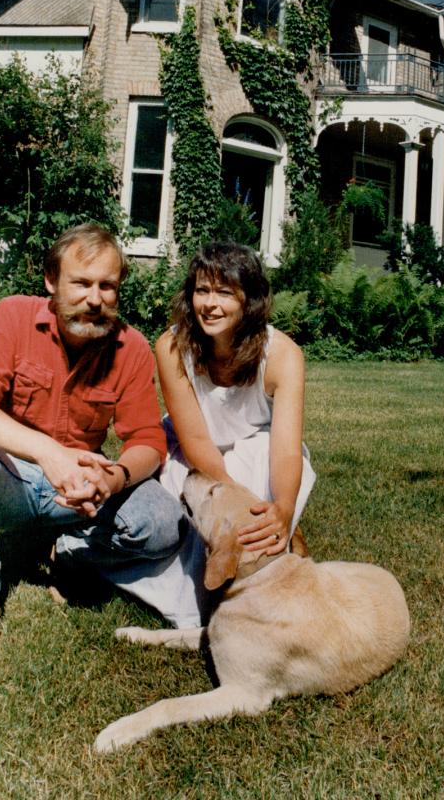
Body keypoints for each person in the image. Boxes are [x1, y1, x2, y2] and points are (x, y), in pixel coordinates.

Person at [0, 224, 184, 658]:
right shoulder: (14, 316)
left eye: (107, 286)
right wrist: (49, 453)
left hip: (81, 492)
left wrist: (113, 478)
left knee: (164, 524)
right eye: (81, 283)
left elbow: (149, 440)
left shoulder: (131, 347)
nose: (95, 299)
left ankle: (70, 552)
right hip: (12, 478)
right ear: (51, 282)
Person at [113, 241, 315, 628]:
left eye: (224, 292)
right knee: (182, 533)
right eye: (202, 290)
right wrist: (230, 499)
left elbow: (286, 449)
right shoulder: (171, 346)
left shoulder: (283, 355)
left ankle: (269, 578)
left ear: (249, 300)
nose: (210, 304)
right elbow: (197, 443)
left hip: (258, 446)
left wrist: (284, 506)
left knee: (266, 496)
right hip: (193, 455)